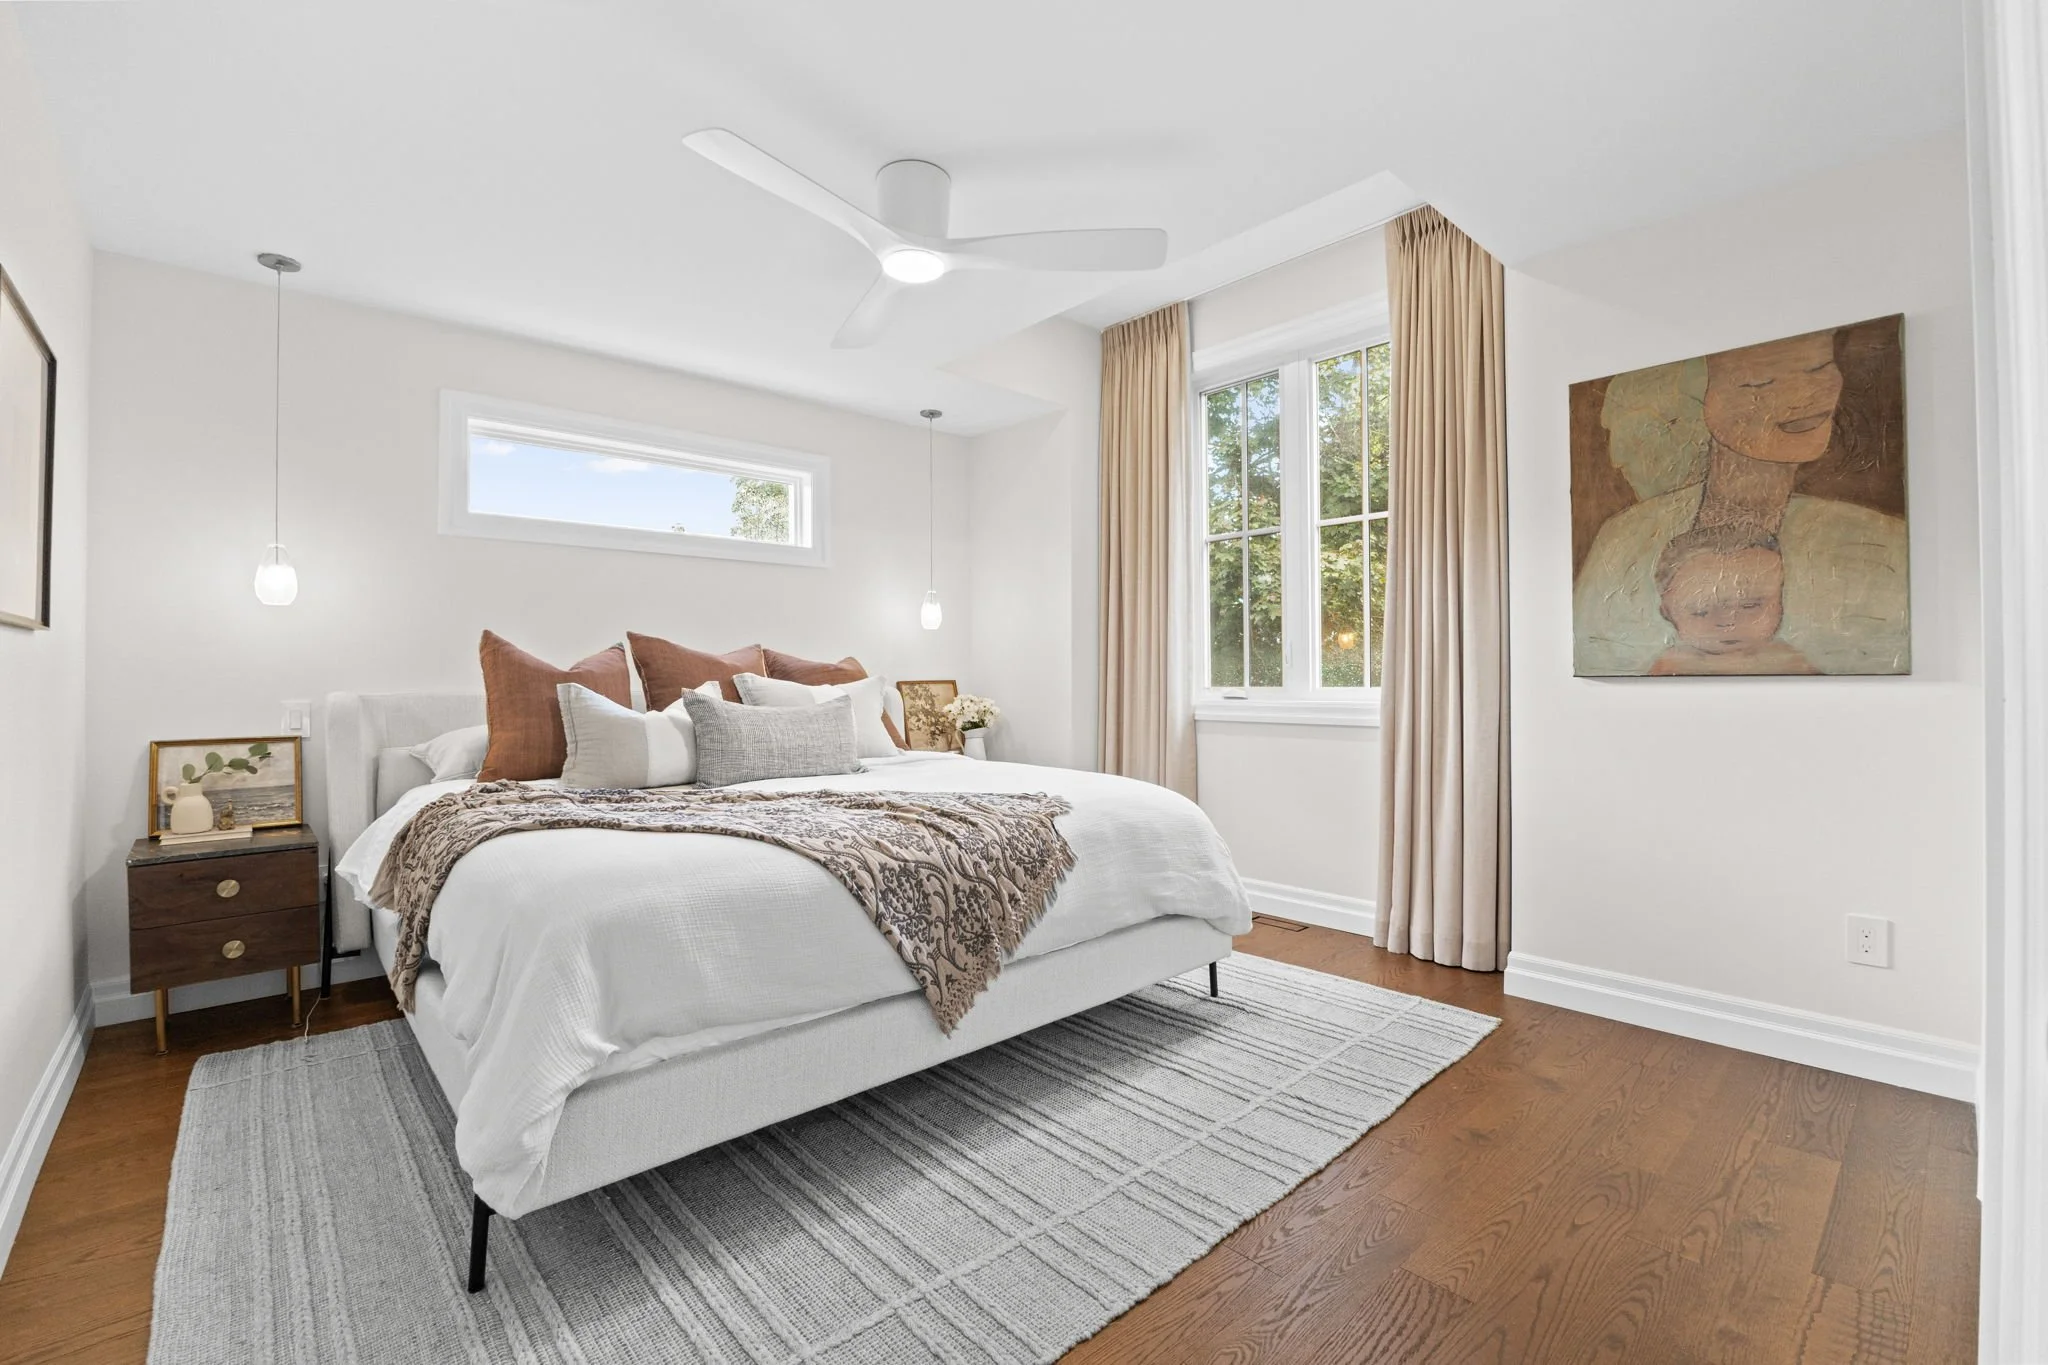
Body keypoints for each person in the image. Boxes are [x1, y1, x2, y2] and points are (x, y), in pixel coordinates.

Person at [1647, 526, 1818, 675]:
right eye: (1702, 611)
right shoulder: (1673, 665)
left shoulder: (1789, 661)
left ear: (1779, 604)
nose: (1728, 622)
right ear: (1667, 613)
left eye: (1750, 605)